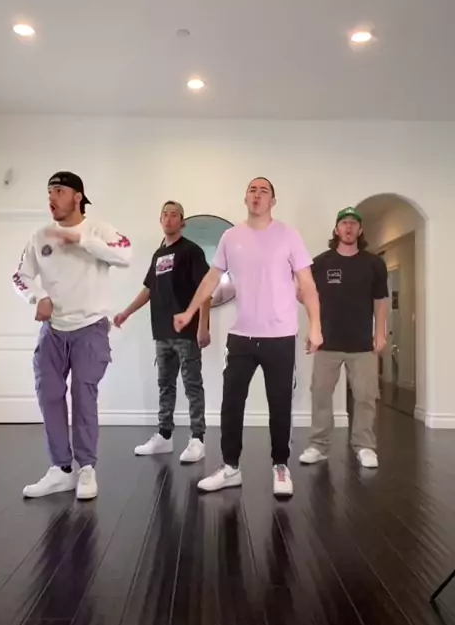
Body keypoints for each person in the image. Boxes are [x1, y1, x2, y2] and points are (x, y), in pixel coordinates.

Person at [173, 177, 322, 497]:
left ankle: (280, 466)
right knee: (231, 403)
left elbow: (307, 285)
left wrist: (316, 327)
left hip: (280, 336)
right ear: (246, 199)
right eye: (252, 190)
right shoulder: (231, 237)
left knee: (280, 404)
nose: (257, 194)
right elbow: (211, 279)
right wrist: (189, 311)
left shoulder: (289, 235)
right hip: (241, 336)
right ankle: (230, 468)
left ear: (272, 201)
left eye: (264, 190)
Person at [13, 171, 131, 499]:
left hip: (90, 329)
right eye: (49, 191)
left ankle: (87, 468)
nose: (52, 197)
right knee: (49, 395)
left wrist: (81, 240)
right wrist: (38, 297)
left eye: (59, 190)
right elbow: (20, 276)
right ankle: (62, 470)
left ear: (78, 197)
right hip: (53, 331)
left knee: (83, 396)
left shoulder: (100, 230)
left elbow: (125, 254)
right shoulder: (40, 236)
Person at [114, 201, 211, 463]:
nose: (169, 219)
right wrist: (126, 312)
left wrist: (203, 326)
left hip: (186, 331)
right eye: (165, 215)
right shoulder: (158, 255)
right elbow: (149, 289)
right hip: (161, 331)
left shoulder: (191, 251)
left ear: (182, 222)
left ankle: (197, 439)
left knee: (192, 385)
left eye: (174, 215)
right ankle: (164, 436)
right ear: (160, 220)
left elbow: (206, 289)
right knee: (165, 385)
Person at [299, 207, 388, 469]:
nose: (348, 227)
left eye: (353, 223)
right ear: (336, 229)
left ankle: (364, 446)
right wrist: (313, 329)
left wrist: (380, 333)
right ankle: (318, 445)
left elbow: (381, 300)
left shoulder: (374, 264)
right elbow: (306, 295)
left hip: (362, 344)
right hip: (327, 342)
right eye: (344, 223)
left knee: (365, 396)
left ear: (360, 230)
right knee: (320, 393)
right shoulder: (320, 263)